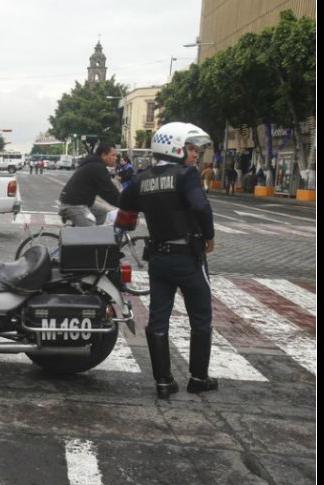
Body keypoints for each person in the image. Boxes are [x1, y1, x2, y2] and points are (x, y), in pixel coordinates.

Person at [118, 121, 218, 399]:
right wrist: (209, 236)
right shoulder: (186, 175)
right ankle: (198, 378)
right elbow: (201, 206)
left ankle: (163, 382)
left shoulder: (142, 178)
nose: (196, 154)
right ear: (174, 148)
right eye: (191, 148)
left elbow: (125, 209)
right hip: (188, 258)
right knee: (201, 317)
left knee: (158, 318)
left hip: (159, 260)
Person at [58, 143, 120, 226]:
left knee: (101, 212)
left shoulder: (95, 164)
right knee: (91, 233)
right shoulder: (97, 167)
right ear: (104, 155)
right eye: (113, 155)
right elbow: (109, 191)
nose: (116, 158)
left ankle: (83, 234)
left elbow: (104, 191)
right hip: (73, 204)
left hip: (79, 201)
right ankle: (89, 237)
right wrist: (124, 204)